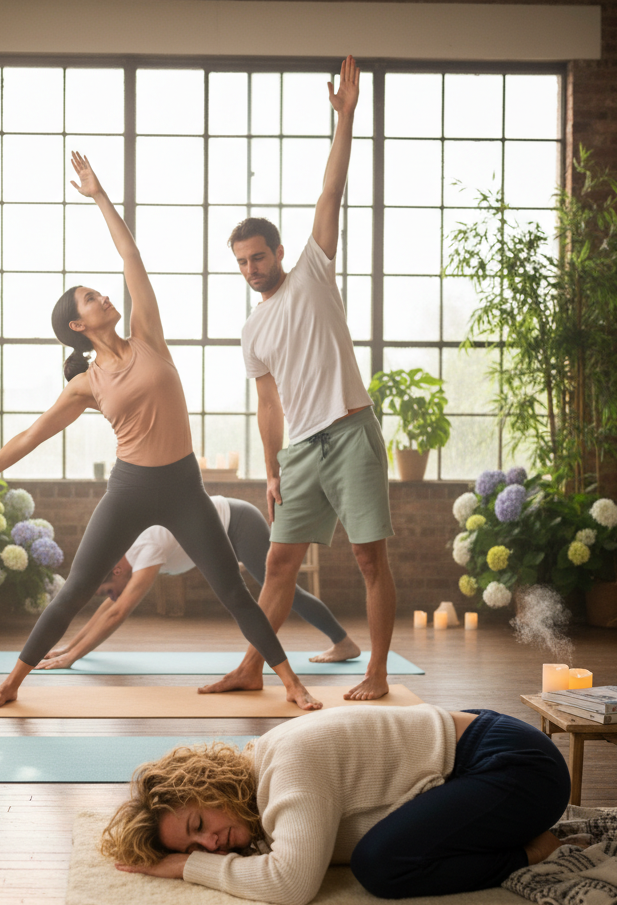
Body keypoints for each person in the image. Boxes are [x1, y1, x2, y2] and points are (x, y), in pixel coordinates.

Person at [0, 152, 323, 712]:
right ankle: (12, 682)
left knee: (234, 590)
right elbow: (30, 437)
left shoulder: (148, 336)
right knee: (73, 591)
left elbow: (131, 254)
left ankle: (291, 684)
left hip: (184, 488)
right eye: (91, 299)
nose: (103, 297)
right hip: (131, 489)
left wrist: (98, 196)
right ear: (78, 326)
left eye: (99, 292)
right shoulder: (86, 385)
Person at [209, 55, 396, 703]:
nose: (252, 268)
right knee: (277, 563)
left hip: (350, 433)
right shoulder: (252, 331)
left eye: (258, 256)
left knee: (369, 560)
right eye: (241, 262)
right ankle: (250, 667)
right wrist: (271, 469)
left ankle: (375, 672)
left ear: (279, 252)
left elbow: (331, 192)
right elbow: (267, 401)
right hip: (300, 452)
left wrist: (344, 119)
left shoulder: (314, 269)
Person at [103, 706, 572, 905]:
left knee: (380, 866)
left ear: (209, 786)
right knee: (384, 845)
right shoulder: (259, 787)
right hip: (481, 760)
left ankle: (530, 853)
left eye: (199, 823)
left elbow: (293, 884)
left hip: (517, 768)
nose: (210, 844)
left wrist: (187, 868)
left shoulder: (287, 766)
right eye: (197, 847)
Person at [38, 495, 359, 671]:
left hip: (238, 523)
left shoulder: (145, 549)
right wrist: (69, 647)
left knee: (284, 589)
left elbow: (118, 613)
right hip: (222, 528)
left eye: (108, 589)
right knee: (278, 590)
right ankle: (341, 641)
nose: (111, 596)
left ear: (117, 573)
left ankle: (343, 643)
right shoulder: (126, 563)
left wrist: (72, 659)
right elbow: (110, 608)